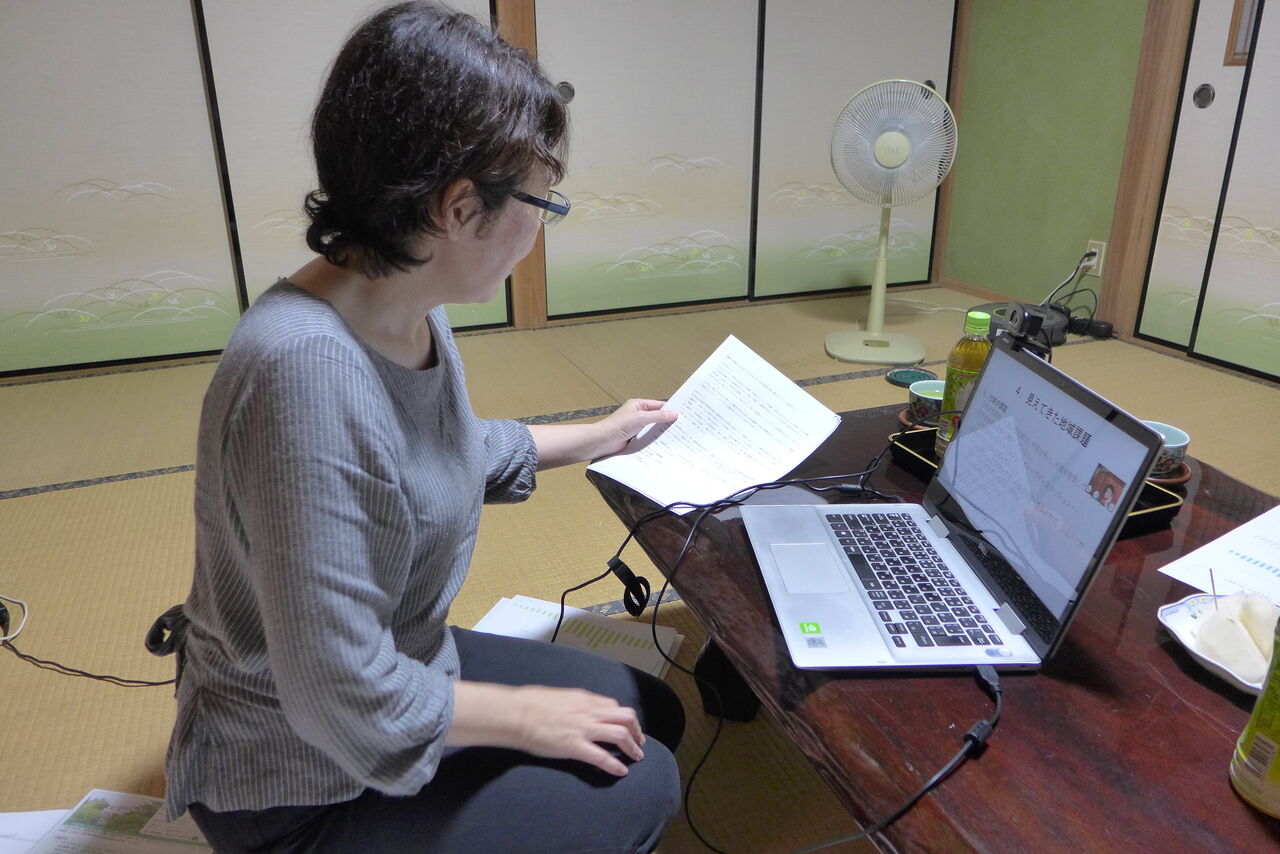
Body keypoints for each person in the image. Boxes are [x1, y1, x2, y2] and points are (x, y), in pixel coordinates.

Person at [162, 3, 685, 851]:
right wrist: (525, 716)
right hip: (302, 776)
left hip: (402, 662)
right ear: (458, 207)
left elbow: (436, 453)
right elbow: (339, 692)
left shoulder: (401, 302)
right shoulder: (301, 375)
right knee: (644, 777)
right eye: (541, 202)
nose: (539, 228)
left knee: (648, 710)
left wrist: (595, 436)